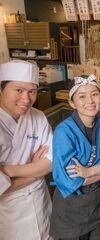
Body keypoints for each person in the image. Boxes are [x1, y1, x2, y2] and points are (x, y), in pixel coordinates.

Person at [50, 74, 100, 240]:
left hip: (99, 203)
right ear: (72, 102)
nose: (90, 101)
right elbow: (69, 178)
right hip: (72, 209)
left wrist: (89, 171)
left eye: (94, 94)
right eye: (82, 96)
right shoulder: (64, 131)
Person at [0, 60, 53, 240]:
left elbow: (51, 161)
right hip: (8, 215)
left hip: (40, 203)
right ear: (1, 88)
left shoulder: (38, 117)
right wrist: (35, 172)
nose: (26, 99)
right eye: (19, 90)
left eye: (32, 91)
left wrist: (8, 171)